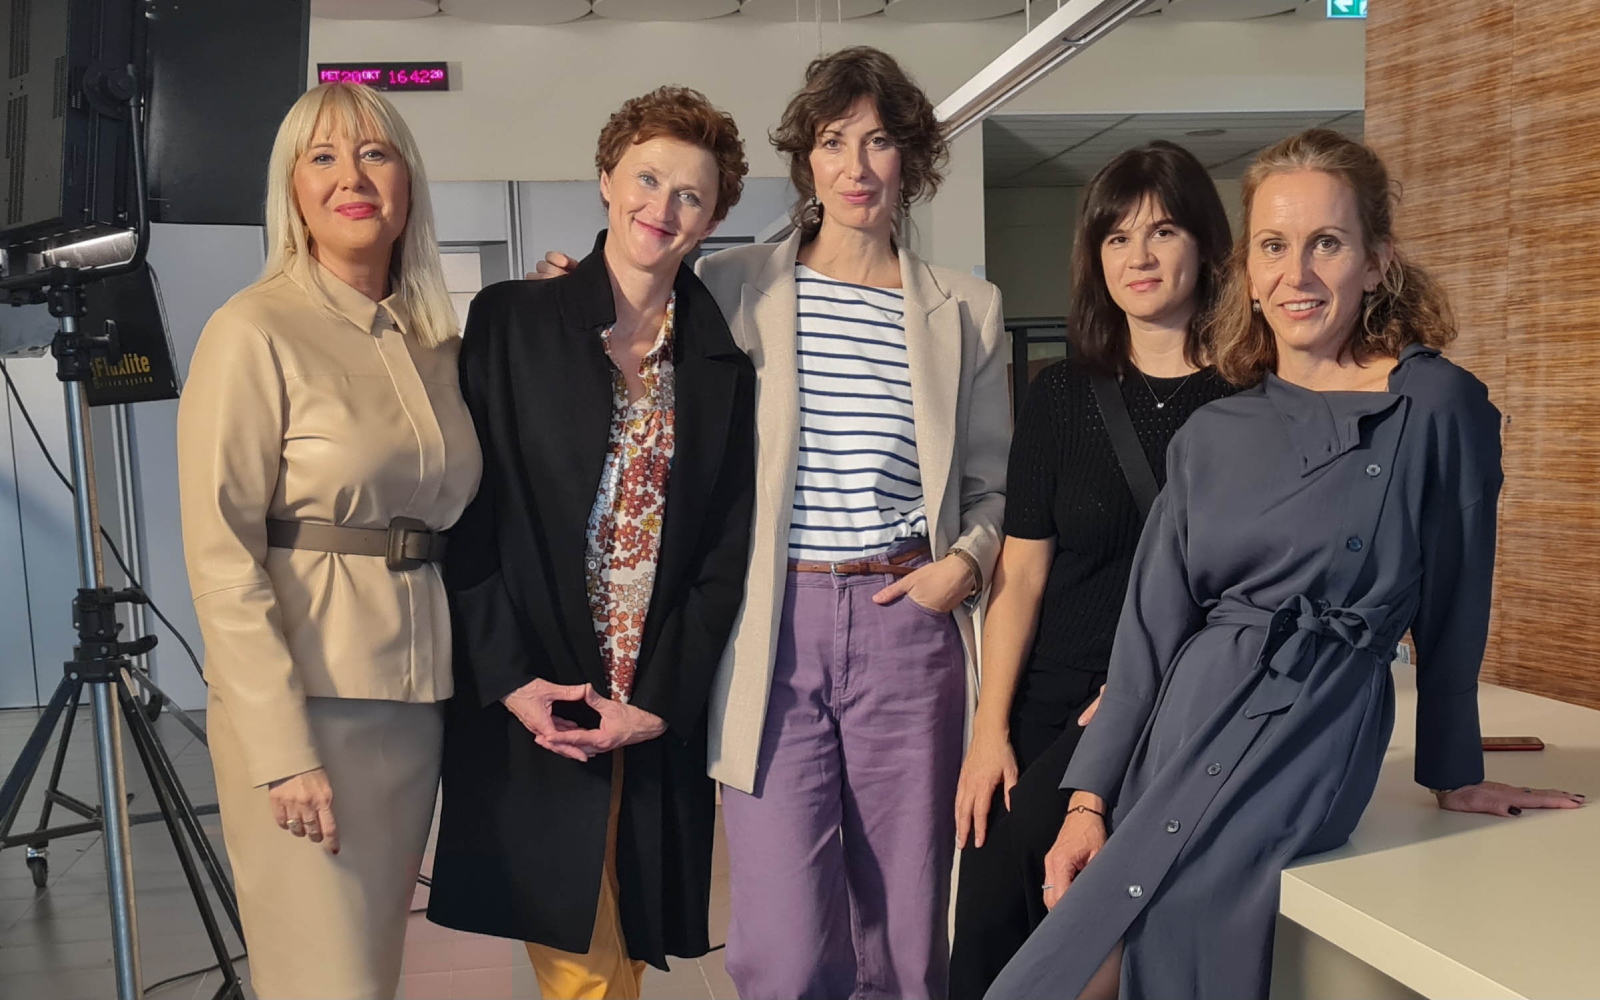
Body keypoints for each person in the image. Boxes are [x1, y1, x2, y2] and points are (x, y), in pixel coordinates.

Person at [986, 128, 1586, 1000]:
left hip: (1317, 724)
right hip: (1184, 721)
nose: (1296, 274)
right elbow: (1150, 635)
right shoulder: (1215, 430)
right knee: (1058, 963)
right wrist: (1089, 803)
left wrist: (1452, 770)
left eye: (1326, 243)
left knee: (1170, 924)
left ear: (1376, 263)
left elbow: (1458, 601)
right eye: (1273, 245)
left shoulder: (1435, 405)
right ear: (1247, 267)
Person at [534, 45, 1008, 1000]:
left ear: (911, 160)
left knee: (907, 928)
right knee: (783, 943)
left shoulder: (967, 308)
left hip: (905, 618)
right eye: (833, 141)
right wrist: (572, 291)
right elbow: (632, 330)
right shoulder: (731, 285)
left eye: (879, 142)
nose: (856, 166)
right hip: (769, 627)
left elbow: (994, 486)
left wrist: (965, 562)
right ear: (806, 159)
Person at [423, 86, 756, 1000]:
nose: (663, 207)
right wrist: (510, 679)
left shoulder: (721, 363)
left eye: (690, 194)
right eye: (646, 179)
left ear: (712, 217)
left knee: (629, 941)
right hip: (542, 691)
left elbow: (725, 552)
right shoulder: (512, 322)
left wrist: (663, 703)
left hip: (649, 698)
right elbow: (471, 517)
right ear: (607, 178)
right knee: (582, 965)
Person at [177, 83, 478, 999]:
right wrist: (281, 749)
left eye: (375, 154)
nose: (352, 177)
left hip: (417, 700)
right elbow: (222, 559)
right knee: (325, 979)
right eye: (323, 158)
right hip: (309, 707)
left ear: (407, 182)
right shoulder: (251, 329)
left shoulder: (435, 343)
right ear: (293, 190)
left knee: (369, 970)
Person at [946, 141, 1235, 1000]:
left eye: (1163, 231)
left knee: (1096, 950)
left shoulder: (1250, 402)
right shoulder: (1060, 395)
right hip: (1046, 703)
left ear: (1206, 246)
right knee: (989, 925)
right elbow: (1021, 579)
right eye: (1116, 237)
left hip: (1170, 710)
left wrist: (1149, 688)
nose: (1138, 256)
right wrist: (987, 732)